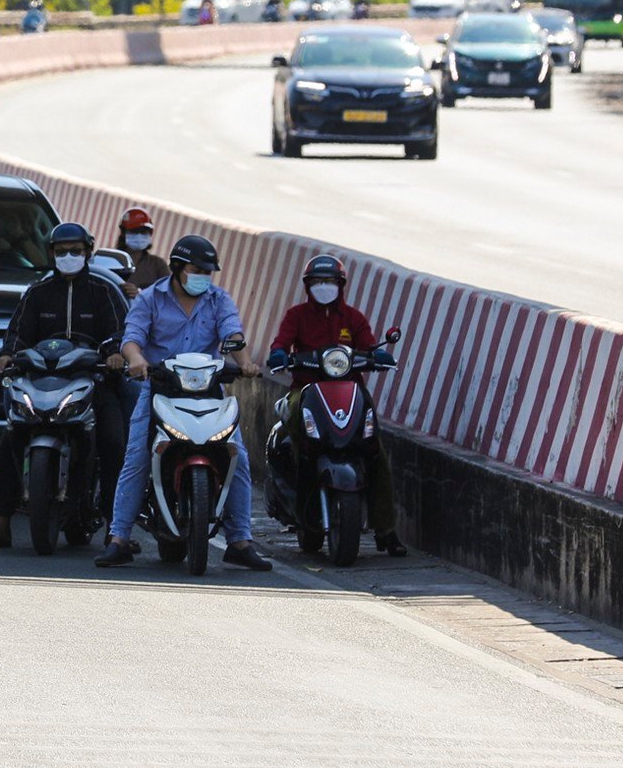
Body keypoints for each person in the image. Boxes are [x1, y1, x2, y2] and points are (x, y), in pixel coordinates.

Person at [96, 233, 271, 570]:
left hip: (208, 392)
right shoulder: (149, 299)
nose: (203, 277)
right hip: (160, 390)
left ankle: (240, 540)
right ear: (177, 268)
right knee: (137, 457)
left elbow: (233, 335)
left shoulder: (219, 299)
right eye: (196, 269)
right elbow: (131, 339)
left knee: (238, 457)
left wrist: (246, 362)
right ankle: (118, 538)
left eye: (208, 271)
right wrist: (136, 360)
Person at [0, 222, 129, 549]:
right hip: (41, 382)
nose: (68, 257)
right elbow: (17, 334)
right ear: (52, 254)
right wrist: (6, 356)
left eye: (75, 251)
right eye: (61, 252)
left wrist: (114, 355)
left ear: (88, 252)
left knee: (115, 441)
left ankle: (117, 529)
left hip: (93, 381)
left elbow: (119, 332)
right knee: (9, 438)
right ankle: (1, 526)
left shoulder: (103, 291)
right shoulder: (37, 293)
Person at [267, 254, 407, 557]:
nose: (324, 287)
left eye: (329, 282)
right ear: (308, 286)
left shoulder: (353, 318)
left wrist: (377, 356)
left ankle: (386, 530)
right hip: (304, 391)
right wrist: (279, 354)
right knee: (298, 439)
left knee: (375, 451)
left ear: (340, 285)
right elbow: (281, 343)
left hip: (350, 393)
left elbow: (369, 346)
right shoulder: (297, 315)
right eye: (317, 282)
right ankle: (295, 503)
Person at [114, 206, 168, 301]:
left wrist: (140, 293)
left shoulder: (158, 265)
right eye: (134, 231)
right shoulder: (112, 259)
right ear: (123, 232)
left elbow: (169, 295)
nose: (139, 236)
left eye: (143, 232)